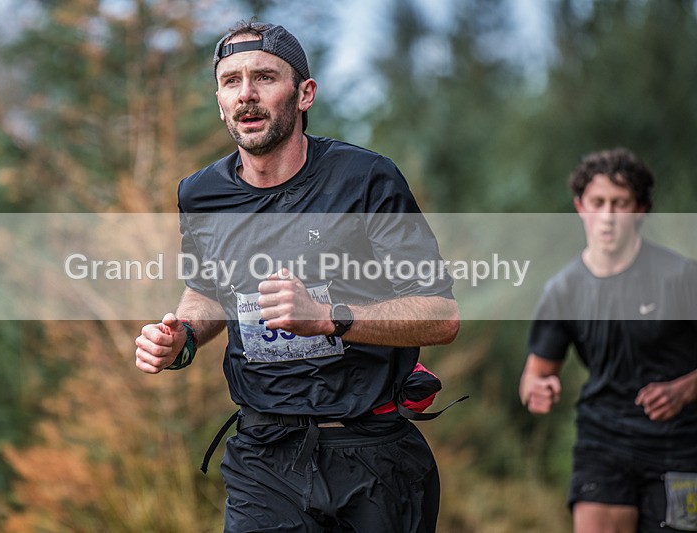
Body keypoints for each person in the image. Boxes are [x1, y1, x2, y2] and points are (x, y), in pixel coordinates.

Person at [134, 20, 460, 532]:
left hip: (372, 453)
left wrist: (329, 319)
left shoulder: (365, 180)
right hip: (263, 458)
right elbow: (208, 289)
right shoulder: (200, 194)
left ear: (305, 93)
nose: (246, 94)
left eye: (264, 77)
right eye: (231, 81)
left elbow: (441, 317)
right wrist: (184, 336)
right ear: (219, 100)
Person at [519, 148, 697, 533]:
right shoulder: (563, 289)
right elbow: (534, 374)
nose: (608, 215)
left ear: (641, 210)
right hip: (602, 442)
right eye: (598, 202)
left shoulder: (680, 276)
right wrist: (537, 389)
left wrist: (685, 390)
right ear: (580, 207)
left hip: (680, 447)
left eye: (621, 203)